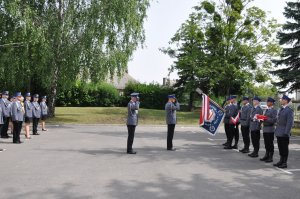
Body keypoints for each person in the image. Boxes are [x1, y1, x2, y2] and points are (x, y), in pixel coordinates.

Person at [273, 95, 294, 168]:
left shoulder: (289, 110)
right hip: (279, 132)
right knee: (280, 147)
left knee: (284, 148)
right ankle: (281, 160)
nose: (281, 101)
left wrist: (286, 132)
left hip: (284, 133)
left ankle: (284, 162)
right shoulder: (281, 109)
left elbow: (290, 123)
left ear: (286, 101)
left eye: (282, 99)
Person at [260, 97, 277, 163]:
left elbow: (274, 120)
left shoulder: (274, 110)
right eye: (267, 101)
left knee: (270, 143)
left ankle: (270, 157)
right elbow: (264, 118)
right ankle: (266, 155)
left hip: (270, 129)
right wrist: (260, 118)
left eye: (268, 102)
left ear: (272, 103)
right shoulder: (266, 110)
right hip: (265, 128)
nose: (267, 103)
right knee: (266, 143)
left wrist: (265, 118)